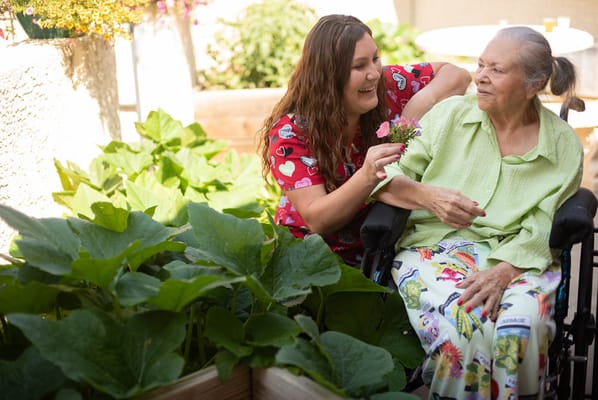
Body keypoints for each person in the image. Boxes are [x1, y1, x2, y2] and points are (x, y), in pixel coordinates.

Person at [373, 26, 583, 398]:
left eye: (496, 70)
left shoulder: (562, 146)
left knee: (519, 327)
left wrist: (504, 271)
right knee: (464, 326)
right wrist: (427, 196)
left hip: (518, 259)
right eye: (481, 64)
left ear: (533, 85)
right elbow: (386, 174)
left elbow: (542, 226)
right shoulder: (451, 115)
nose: (480, 76)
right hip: (432, 247)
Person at [257, 14, 471, 266]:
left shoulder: (386, 86)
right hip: (309, 258)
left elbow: (457, 74)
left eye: (375, 59)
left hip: (378, 246)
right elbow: (317, 218)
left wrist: (414, 110)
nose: (373, 74)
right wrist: (367, 175)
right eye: (359, 66)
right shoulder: (291, 132)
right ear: (329, 76)